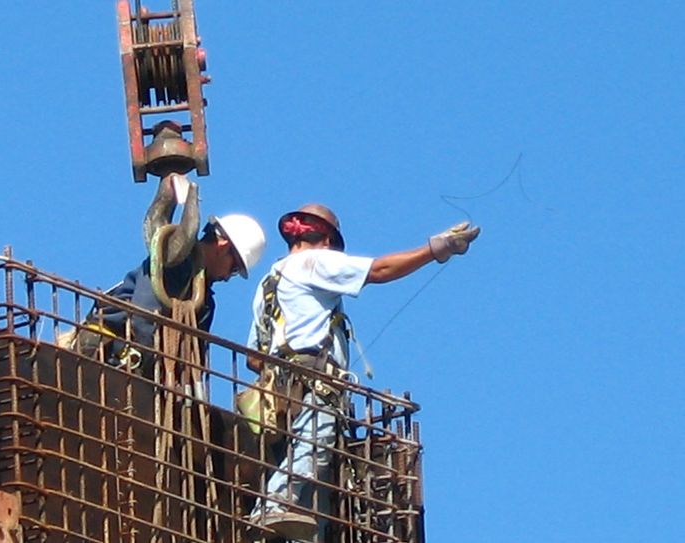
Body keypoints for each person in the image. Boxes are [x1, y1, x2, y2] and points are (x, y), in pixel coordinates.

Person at [245, 203, 480, 541]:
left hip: (279, 393)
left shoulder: (268, 283)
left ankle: (284, 522)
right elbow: (381, 270)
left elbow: (254, 357)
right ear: (326, 240)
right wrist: (436, 249)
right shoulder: (314, 262)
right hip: (314, 382)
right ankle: (272, 506)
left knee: (309, 477)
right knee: (314, 444)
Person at [74, 173, 266, 375]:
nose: (227, 277)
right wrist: (145, 367)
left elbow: (195, 359)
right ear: (223, 247)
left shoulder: (204, 301)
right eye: (233, 268)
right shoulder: (176, 262)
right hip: (107, 352)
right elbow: (144, 314)